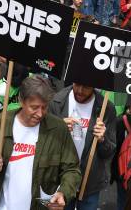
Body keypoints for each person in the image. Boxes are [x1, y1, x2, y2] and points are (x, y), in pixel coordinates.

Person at [0, 75, 81, 210]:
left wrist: (63, 193)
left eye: (44, 107)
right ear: (21, 101)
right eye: (34, 107)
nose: (40, 114)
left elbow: (72, 169)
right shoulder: (2, 122)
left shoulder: (58, 129)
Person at [49, 82, 116, 210]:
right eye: (77, 84)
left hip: (90, 182)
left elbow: (109, 152)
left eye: (86, 86)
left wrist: (103, 139)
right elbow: (43, 140)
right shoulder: (56, 101)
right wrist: (58, 127)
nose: (79, 90)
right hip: (61, 180)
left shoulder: (106, 108)